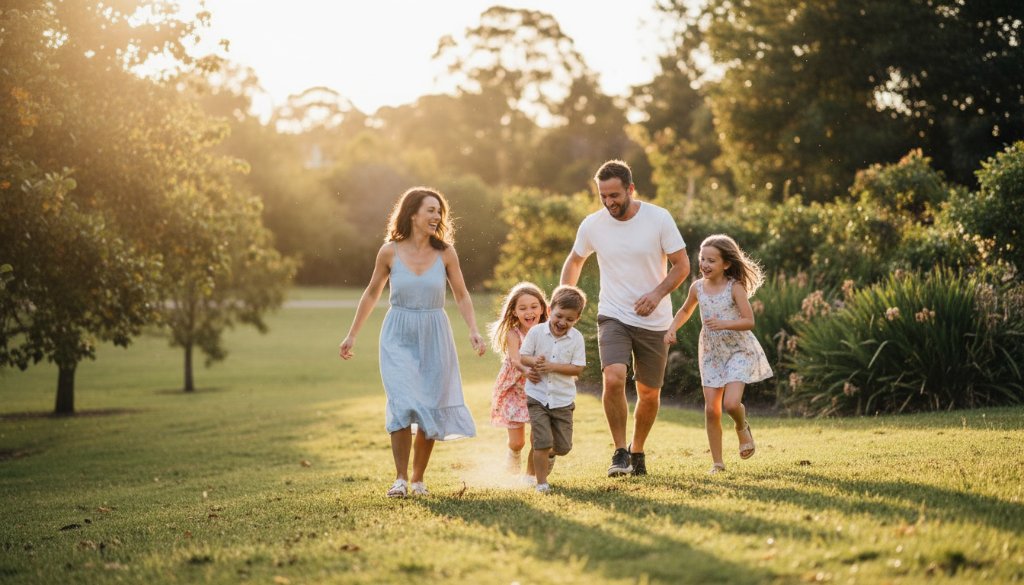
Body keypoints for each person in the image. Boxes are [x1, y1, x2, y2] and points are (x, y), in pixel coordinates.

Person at [339, 187, 486, 498]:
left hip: (435, 333)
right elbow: (372, 293)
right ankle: (401, 479)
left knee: (429, 406)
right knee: (403, 404)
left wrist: (473, 329)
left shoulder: (446, 253)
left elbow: (461, 294)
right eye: (430, 210)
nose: (436, 216)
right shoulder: (389, 252)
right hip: (398, 333)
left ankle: (418, 479)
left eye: (439, 211)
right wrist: (352, 334)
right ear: (412, 213)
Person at [560, 160, 690, 477]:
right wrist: (562, 301)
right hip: (613, 314)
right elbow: (574, 261)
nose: (609, 202)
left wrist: (657, 295)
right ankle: (619, 452)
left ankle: (637, 450)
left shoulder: (658, 219)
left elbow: (682, 265)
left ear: (631, 189)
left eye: (615, 195)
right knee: (614, 377)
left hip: (655, 319)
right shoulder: (593, 225)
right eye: (603, 196)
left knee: (649, 394)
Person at [663, 234, 772, 474]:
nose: (704, 264)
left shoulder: (735, 288)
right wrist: (672, 328)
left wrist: (724, 324)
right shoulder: (697, 287)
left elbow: (749, 321)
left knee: (731, 403)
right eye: (702, 259)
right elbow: (684, 310)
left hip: (738, 349)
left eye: (711, 260)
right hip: (712, 352)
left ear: (726, 263)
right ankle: (718, 463)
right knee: (712, 409)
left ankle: (742, 427)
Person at [519, 285, 587, 493]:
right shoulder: (537, 332)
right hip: (537, 396)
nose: (562, 322)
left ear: (577, 319)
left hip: (563, 400)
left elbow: (578, 368)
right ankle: (541, 483)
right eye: (559, 316)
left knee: (563, 447)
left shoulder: (576, 339)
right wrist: (534, 361)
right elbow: (523, 357)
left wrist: (551, 367)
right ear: (549, 311)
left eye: (569, 319)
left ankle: (548, 454)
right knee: (541, 441)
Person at [487, 282, 549, 478]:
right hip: (515, 389)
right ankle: (513, 458)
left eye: (533, 306)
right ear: (514, 312)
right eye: (522, 308)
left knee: (536, 437)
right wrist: (526, 371)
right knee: (517, 442)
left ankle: (531, 476)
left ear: (542, 308)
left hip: (538, 390)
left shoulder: (548, 331)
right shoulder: (514, 334)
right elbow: (515, 359)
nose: (529, 312)